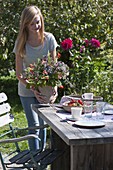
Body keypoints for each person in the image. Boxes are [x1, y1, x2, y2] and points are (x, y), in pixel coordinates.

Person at [13, 5, 58, 151]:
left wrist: (54, 89)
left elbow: (54, 69)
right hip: (26, 89)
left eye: (37, 22)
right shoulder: (21, 42)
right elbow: (19, 73)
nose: (36, 26)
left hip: (44, 89)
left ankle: (40, 162)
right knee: (34, 126)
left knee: (43, 124)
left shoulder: (49, 39)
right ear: (25, 24)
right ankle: (35, 162)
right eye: (32, 23)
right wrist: (33, 88)